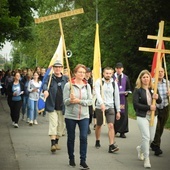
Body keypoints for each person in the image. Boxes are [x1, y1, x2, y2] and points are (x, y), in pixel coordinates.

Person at [63, 64, 92, 169]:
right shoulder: (68, 85)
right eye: (80, 72)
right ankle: (71, 158)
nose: (82, 74)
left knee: (84, 137)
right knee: (71, 138)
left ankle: (83, 160)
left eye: (84, 72)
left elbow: (90, 101)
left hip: (84, 115)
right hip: (70, 116)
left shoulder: (87, 86)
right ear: (75, 73)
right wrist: (70, 100)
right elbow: (65, 102)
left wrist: (79, 101)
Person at [133, 69, 162, 168]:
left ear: (150, 78)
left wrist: (157, 97)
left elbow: (159, 101)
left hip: (153, 116)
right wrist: (148, 107)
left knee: (151, 138)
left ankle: (140, 148)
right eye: (144, 77)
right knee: (146, 137)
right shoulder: (138, 90)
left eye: (147, 77)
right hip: (142, 116)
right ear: (140, 79)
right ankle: (146, 158)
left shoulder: (153, 88)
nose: (146, 79)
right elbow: (136, 104)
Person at [43, 60, 68, 153]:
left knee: (61, 125)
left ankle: (56, 142)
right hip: (52, 105)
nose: (57, 69)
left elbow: (70, 88)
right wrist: (45, 90)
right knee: (54, 123)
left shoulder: (65, 79)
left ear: (61, 68)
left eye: (59, 67)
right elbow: (44, 85)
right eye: (56, 67)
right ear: (53, 69)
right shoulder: (50, 78)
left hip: (62, 106)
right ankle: (52, 144)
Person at [94, 67, 121, 153]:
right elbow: (97, 94)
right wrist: (101, 103)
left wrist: (118, 110)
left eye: (110, 73)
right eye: (107, 73)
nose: (108, 75)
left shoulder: (114, 83)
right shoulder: (99, 82)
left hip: (110, 107)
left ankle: (111, 145)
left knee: (111, 126)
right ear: (103, 74)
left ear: (112, 74)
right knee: (99, 124)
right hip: (100, 107)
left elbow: (116, 97)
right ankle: (97, 140)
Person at [150, 67, 170, 156]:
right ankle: (157, 147)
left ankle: (154, 143)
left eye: (162, 71)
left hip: (165, 107)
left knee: (161, 127)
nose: (161, 73)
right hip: (156, 107)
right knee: (157, 127)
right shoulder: (152, 82)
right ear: (155, 73)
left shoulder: (168, 83)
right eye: (159, 72)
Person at [113, 62, 131, 138]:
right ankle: (114, 130)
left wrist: (127, 92)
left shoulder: (126, 77)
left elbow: (129, 88)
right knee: (114, 114)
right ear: (115, 69)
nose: (119, 70)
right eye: (117, 68)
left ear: (122, 69)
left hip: (123, 98)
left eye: (120, 68)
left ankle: (122, 131)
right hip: (114, 99)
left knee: (123, 115)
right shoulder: (112, 77)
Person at [84, 67, 93, 134]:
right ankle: (86, 127)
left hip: (91, 99)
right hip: (84, 99)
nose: (88, 74)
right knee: (85, 114)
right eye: (86, 72)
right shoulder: (82, 80)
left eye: (89, 72)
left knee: (90, 114)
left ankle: (88, 124)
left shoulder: (92, 80)